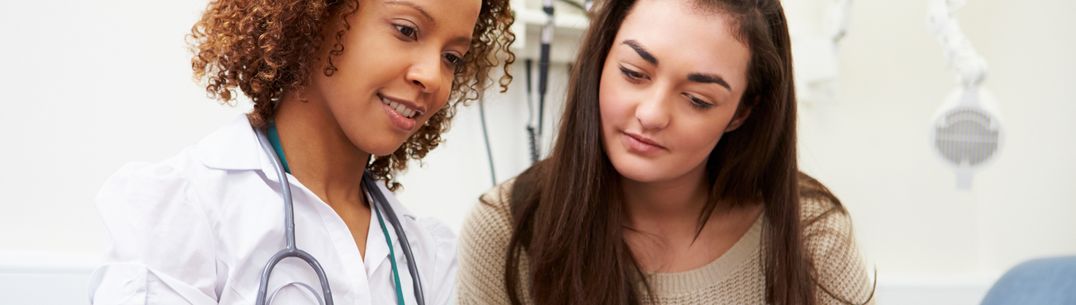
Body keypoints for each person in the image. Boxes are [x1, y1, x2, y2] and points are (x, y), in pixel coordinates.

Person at [89, 0, 514, 304]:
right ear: (318, 13)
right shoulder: (183, 212)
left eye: (452, 57)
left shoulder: (428, 254)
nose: (433, 78)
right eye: (406, 30)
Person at [457, 0, 874, 304]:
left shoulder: (811, 237)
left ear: (742, 112)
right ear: (601, 59)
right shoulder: (505, 230)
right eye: (634, 73)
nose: (652, 114)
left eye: (697, 99)